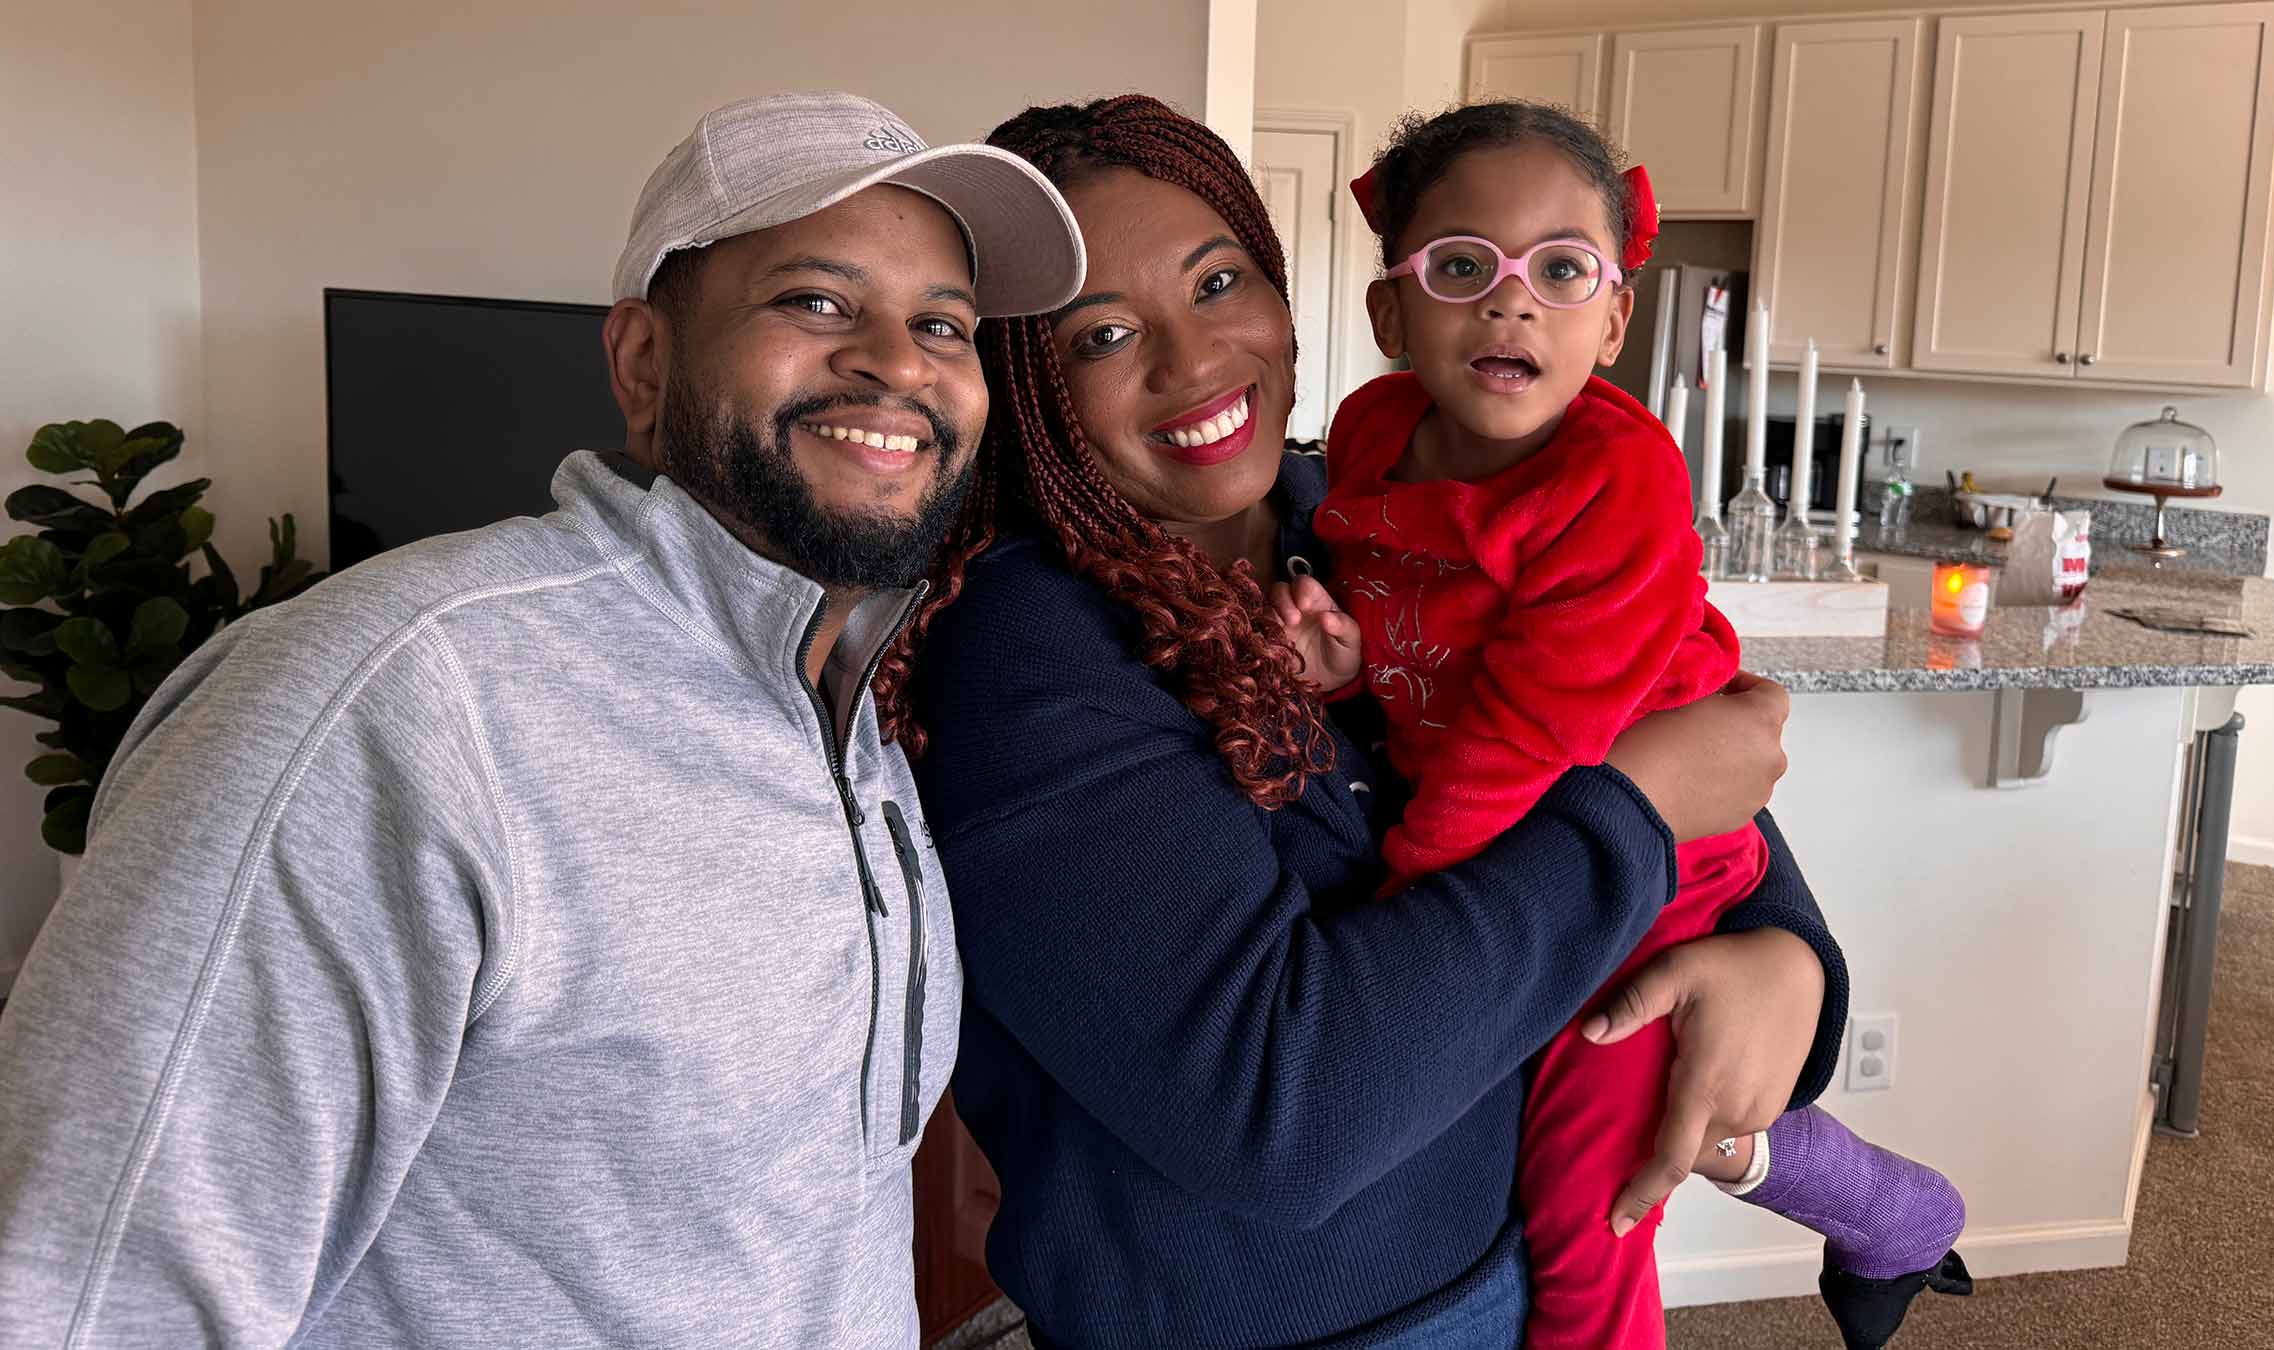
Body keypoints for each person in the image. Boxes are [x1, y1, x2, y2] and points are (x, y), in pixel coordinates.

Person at [0, 92, 1082, 1346]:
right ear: (641, 362)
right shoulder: (393, 704)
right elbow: (82, 1298)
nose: (897, 363)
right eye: (815, 301)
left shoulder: (847, 697)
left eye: (941, 325)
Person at [877, 94, 1849, 1348]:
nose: (1191, 360)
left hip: (1506, 1261)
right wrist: (1638, 817)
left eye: (1218, 282)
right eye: (1102, 334)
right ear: (1027, 383)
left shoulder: (1373, 501)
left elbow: (1672, 730)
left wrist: (1789, 957)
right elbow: (1280, 1116)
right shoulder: (1026, 660)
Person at [1280, 100, 1970, 1350]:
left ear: (1612, 320)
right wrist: (1346, 669)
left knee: (1587, 1211)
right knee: (1644, 1116)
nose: (1511, 304)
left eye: (1560, 270)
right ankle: (1895, 1209)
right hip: (1535, 839)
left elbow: (1524, 733)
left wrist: (1411, 919)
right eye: (1459, 267)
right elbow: (1423, 652)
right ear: (1390, 313)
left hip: (1652, 861)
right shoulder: (1368, 444)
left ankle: (1883, 1211)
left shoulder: (1615, 479)